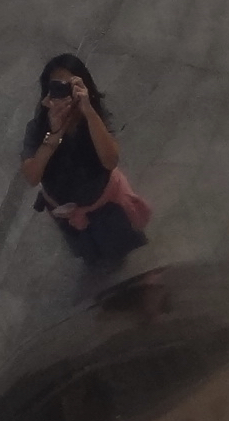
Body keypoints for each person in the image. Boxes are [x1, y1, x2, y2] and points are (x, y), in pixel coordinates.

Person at [19, 54, 151, 264]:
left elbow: (110, 160)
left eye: (69, 86)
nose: (64, 94)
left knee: (117, 251)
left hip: (105, 206)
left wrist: (88, 111)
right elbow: (32, 176)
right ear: (47, 93)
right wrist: (54, 135)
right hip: (67, 213)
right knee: (88, 253)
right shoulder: (38, 128)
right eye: (57, 87)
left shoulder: (94, 117)